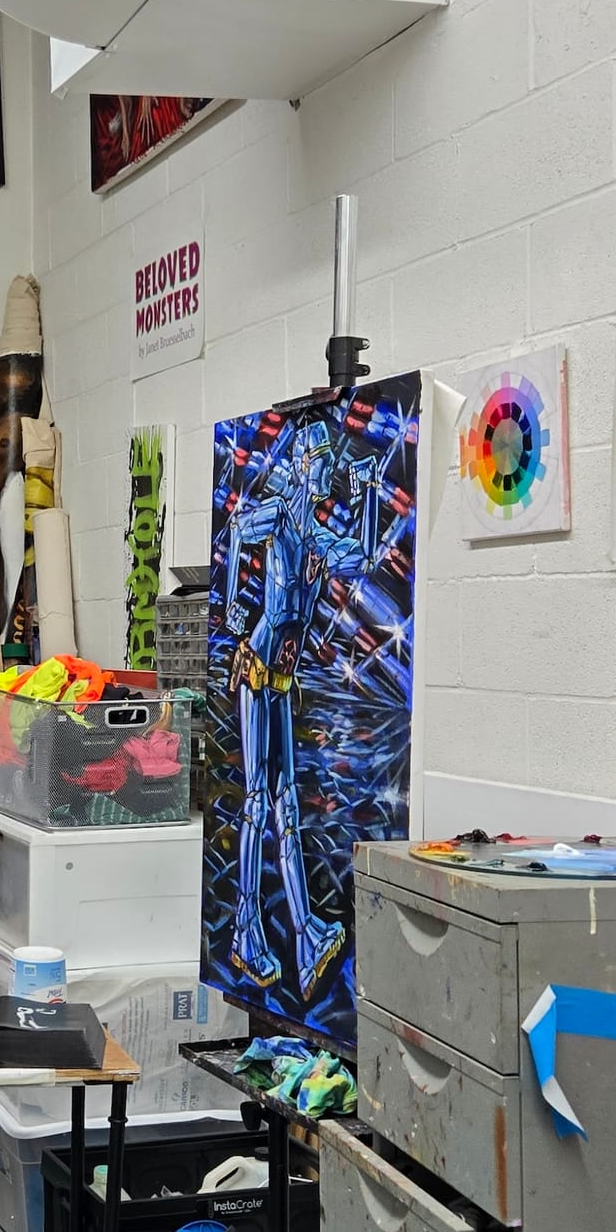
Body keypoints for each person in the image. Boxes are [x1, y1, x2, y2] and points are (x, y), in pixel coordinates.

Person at [219, 420, 391, 1001]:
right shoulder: (276, 516)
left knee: (286, 805)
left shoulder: (314, 535)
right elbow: (237, 528)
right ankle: (246, 929)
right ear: (301, 464)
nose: (327, 471)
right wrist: (233, 606)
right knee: (258, 803)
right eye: (320, 460)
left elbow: (363, 556)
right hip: (257, 669)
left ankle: (303, 933)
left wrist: (370, 492)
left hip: (281, 679)